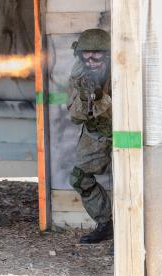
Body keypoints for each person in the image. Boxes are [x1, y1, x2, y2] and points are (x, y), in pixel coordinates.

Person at [67, 29, 113, 244]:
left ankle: (130, 234)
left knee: (131, 182)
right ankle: (105, 224)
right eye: (86, 54)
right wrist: (85, 98)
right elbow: (75, 116)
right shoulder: (79, 75)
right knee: (80, 178)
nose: (91, 60)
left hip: (124, 132)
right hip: (95, 132)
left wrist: (101, 97)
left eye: (97, 54)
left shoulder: (122, 69)